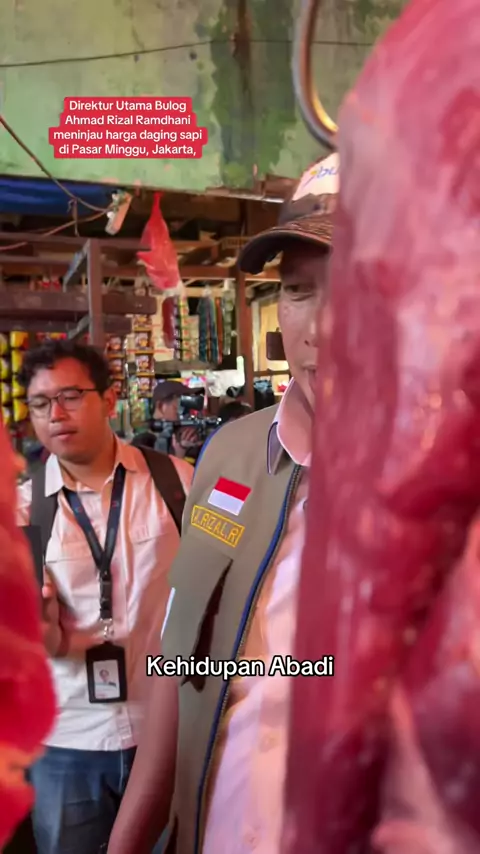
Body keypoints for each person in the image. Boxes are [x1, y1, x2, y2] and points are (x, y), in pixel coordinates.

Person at [107, 151, 340, 854]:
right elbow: (182, 648)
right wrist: (128, 839)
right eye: (298, 290)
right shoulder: (230, 456)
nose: (321, 328)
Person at [16, 339, 193, 854]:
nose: (55, 414)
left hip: (169, 729)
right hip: (68, 740)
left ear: (110, 399)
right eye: (41, 403)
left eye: (70, 396)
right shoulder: (24, 510)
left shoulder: (176, 484)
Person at [132, 380, 200, 461]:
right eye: (180, 409)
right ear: (161, 407)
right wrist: (179, 454)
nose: (186, 415)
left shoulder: (182, 438)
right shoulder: (144, 443)